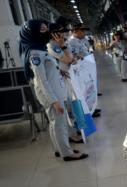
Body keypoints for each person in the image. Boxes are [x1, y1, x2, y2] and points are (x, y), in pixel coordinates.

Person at [19, 20, 88, 161]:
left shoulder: (40, 49)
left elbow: (49, 71)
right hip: (52, 95)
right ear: (33, 33)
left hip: (54, 91)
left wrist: (59, 73)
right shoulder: (35, 54)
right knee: (60, 124)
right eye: (42, 29)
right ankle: (67, 153)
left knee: (54, 123)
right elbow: (41, 80)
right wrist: (54, 101)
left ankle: (59, 149)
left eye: (46, 29)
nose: (46, 32)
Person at [48, 22, 85, 145]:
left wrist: (65, 48)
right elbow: (68, 59)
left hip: (67, 77)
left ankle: (74, 129)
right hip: (61, 80)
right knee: (68, 108)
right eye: (60, 31)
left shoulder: (60, 43)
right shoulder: (53, 45)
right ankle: (71, 134)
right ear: (53, 33)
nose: (63, 33)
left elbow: (72, 58)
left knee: (72, 105)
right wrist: (63, 46)